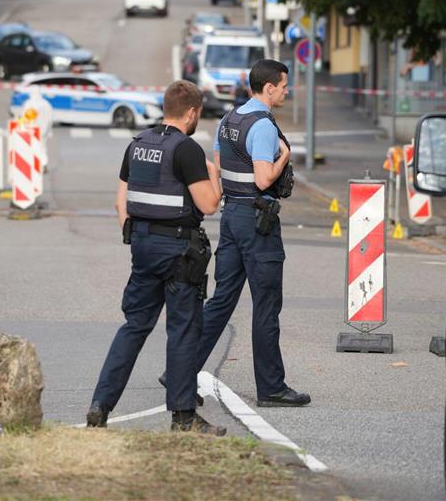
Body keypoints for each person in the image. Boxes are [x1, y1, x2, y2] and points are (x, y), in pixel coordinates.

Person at [87, 80, 225, 434]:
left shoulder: (138, 144)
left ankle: (100, 407)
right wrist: (215, 177)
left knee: (133, 327)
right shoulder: (187, 149)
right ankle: (183, 418)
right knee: (182, 331)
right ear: (192, 112)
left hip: (143, 248)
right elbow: (208, 204)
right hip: (179, 251)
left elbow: (121, 202)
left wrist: (138, 238)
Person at [197, 59, 310, 407]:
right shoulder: (262, 125)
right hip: (257, 221)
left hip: (232, 216)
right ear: (269, 87)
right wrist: (284, 156)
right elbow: (263, 179)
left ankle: (179, 369)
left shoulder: (229, 119)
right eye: (284, 85)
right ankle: (272, 388)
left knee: (221, 300)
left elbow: (216, 165)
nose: (287, 91)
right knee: (265, 305)